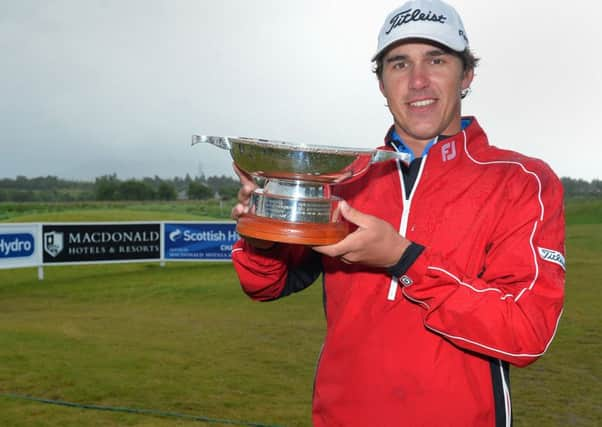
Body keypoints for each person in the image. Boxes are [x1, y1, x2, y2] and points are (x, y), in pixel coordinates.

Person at [230, 0, 566, 425]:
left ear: (467, 75)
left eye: (436, 60)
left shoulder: (521, 181)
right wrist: (261, 234)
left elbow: (525, 332)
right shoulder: (346, 176)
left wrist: (403, 259)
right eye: (399, 64)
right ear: (381, 83)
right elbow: (265, 285)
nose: (418, 81)